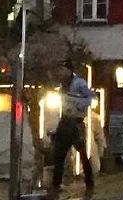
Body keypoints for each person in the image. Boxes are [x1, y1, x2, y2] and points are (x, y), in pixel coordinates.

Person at [50, 62, 95, 195]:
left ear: (69, 70)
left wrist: (76, 103)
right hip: (65, 121)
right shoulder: (62, 84)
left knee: (82, 154)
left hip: (76, 122)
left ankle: (89, 181)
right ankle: (56, 184)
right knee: (59, 154)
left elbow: (90, 98)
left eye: (63, 70)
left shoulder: (79, 83)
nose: (61, 73)